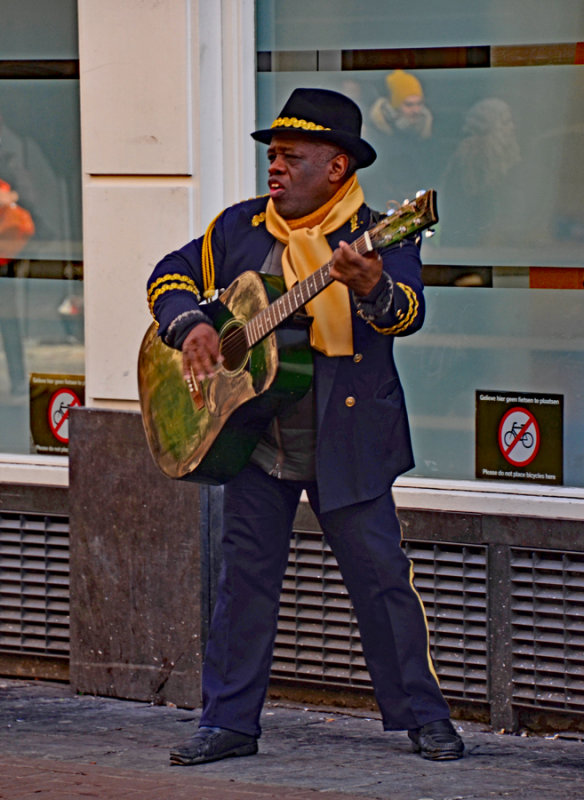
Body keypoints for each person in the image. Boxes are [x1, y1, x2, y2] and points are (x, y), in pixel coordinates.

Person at [147, 88, 464, 765]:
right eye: (274, 155)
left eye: (293, 157)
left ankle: (423, 717)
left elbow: (405, 311)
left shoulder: (380, 233)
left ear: (338, 167)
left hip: (347, 435)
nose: (276, 167)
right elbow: (167, 276)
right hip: (252, 434)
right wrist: (194, 324)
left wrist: (370, 286)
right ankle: (229, 721)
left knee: (381, 581)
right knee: (244, 583)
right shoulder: (238, 229)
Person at [368, 70, 435, 209]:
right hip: (384, 205)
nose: (416, 110)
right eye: (409, 105)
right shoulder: (374, 133)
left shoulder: (427, 132)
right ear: (395, 106)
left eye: (419, 103)